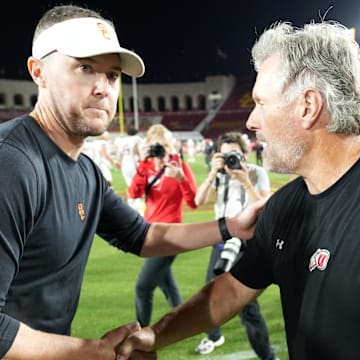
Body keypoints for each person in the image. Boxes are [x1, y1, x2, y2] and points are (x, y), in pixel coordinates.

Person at [0, 4, 268, 359]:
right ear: (39, 72)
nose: (103, 88)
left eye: (112, 76)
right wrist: (92, 352)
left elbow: (142, 236)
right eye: (84, 68)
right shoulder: (12, 163)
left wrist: (232, 226)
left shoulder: (84, 170)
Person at [116, 19, 360, 360]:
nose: (251, 122)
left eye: (261, 102)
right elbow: (232, 289)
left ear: (308, 106)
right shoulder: (284, 207)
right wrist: (155, 335)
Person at [194, 131, 276, 359]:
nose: (231, 159)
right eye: (225, 154)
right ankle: (213, 336)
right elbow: (199, 201)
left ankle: (267, 356)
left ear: (244, 153)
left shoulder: (256, 173)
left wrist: (245, 181)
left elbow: (263, 209)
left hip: (245, 244)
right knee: (210, 294)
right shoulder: (219, 175)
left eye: (235, 154)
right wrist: (212, 173)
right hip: (220, 241)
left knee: (247, 306)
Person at [128, 124, 197, 327]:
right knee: (166, 282)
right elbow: (133, 194)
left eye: (164, 144)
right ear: (148, 146)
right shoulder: (146, 168)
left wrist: (181, 180)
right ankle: (185, 322)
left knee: (143, 287)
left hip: (170, 234)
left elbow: (193, 202)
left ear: (171, 145)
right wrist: (142, 164)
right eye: (156, 145)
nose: (161, 149)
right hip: (150, 233)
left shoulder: (180, 167)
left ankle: (140, 331)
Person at [114, 127, 144, 213]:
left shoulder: (122, 140)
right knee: (137, 186)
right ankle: (138, 207)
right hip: (133, 163)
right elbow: (137, 150)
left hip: (125, 164)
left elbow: (119, 153)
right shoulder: (136, 139)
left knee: (130, 186)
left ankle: (131, 206)